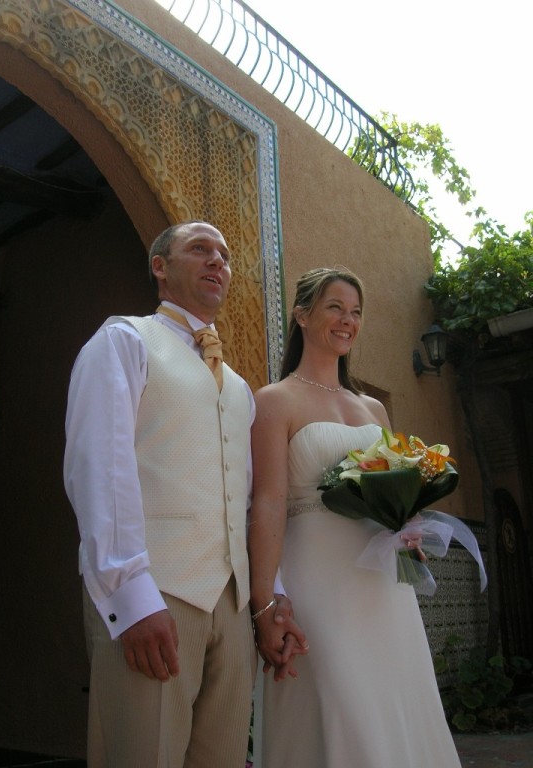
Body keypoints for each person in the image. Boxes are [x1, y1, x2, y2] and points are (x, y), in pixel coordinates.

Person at [63, 221, 302, 768]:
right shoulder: (123, 342)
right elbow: (99, 467)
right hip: (155, 594)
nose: (218, 261)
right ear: (160, 267)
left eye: (224, 255)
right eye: (199, 249)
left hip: (232, 608)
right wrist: (131, 598)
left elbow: (244, 498)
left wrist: (267, 596)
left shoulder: (238, 388)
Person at [248, 266, 462, 767]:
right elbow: (268, 503)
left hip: (381, 583)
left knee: (392, 704)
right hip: (316, 580)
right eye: (335, 308)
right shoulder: (274, 401)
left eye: (356, 312)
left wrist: (408, 529)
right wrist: (264, 603)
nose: (348, 320)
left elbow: (394, 491)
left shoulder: (374, 409)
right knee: (339, 704)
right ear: (302, 315)